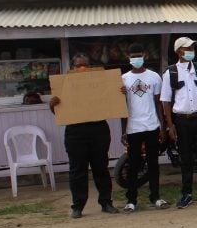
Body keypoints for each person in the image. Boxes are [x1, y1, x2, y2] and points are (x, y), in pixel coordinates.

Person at [49, 54, 118, 218]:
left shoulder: (100, 83)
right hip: (75, 131)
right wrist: (52, 106)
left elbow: (112, 101)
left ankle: (106, 202)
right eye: (79, 66)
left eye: (86, 65)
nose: (83, 69)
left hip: (98, 129)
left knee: (101, 167)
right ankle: (78, 206)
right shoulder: (64, 85)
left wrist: (119, 92)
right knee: (77, 170)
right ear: (73, 68)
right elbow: (60, 112)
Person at [160, 37, 197, 208]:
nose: (191, 50)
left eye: (192, 48)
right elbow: (166, 102)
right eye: (187, 48)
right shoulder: (171, 73)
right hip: (182, 120)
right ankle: (187, 194)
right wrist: (170, 125)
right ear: (178, 52)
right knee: (185, 159)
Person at [120, 43, 169, 213]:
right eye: (133, 56)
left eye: (138, 55)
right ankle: (131, 200)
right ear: (128, 57)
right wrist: (123, 129)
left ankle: (155, 197)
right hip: (133, 128)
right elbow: (122, 106)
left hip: (152, 125)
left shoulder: (154, 77)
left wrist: (163, 127)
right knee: (133, 165)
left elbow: (159, 104)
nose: (136, 59)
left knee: (153, 164)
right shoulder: (123, 79)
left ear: (145, 55)